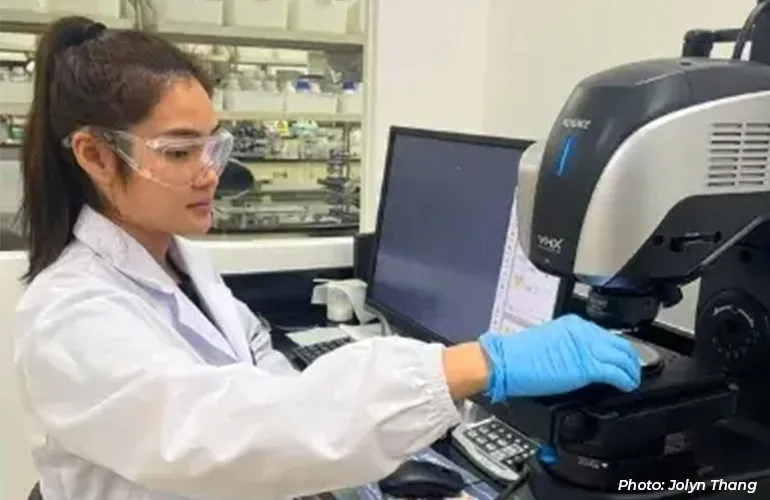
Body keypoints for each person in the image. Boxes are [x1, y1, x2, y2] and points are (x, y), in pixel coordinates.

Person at [13, 16, 642, 500]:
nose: (211, 173)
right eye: (180, 153)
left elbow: (257, 367)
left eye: (214, 145)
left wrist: (337, 433)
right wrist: (474, 364)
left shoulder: (179, 261)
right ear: (95, 155)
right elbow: (228, 431)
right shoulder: (70, 319)